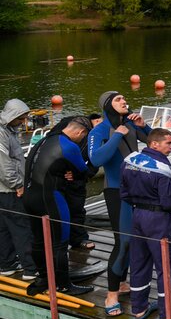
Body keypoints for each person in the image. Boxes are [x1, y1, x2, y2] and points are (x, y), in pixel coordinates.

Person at [89, 91, 151, 316]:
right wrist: (117, 135)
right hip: (116, 190)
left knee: (136, 241)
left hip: (137, 188)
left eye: (124, 98)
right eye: (118, 99)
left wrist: (144, 127)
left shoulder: (131, 124)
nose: (124, 101)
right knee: (123, 242)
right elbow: (96, 160)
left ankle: (124, 283)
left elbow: (156, 141)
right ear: (107, 105)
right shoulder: (99, 131)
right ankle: (111, 295)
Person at [121, 128, 171, 319]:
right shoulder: (162, 167)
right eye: (168, 143)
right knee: (166, 267)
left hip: (137, 215)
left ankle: (139, 308)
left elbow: (123, 193)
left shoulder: (129, 161)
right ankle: (169, 314)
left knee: (139, 262)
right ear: (154, 144)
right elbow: (169, 202)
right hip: (158, 218)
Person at [23, 117, 94, 296]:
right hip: (50, 199)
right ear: (80, 132)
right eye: (83, 137)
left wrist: (64, 171)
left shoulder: (44, 140)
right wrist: (71, 173)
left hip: (30, 197)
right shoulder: (69, 146)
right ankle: (63, 285)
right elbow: (83, 171)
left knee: (39, 240)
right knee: (60, 242)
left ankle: (44, 279)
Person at [0, 99, 38, 280]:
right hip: (9, 190)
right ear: (12, 116)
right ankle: (31, 269)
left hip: (3, 191)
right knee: (21, 227)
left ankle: (7, 264)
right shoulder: (2, 134)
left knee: (4, 228)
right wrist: (18, 185)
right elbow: (4, 165)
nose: (23, 121)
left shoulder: (8, 130)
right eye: (21, 118)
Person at [65, 114, 102, 251]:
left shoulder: (95, 138)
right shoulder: (70, 136)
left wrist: (83, 175)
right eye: (97, 121)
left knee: (77, 210)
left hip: (79, 179)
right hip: (62, 177)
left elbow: (95, 161)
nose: (99, 124)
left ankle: (78, 238)